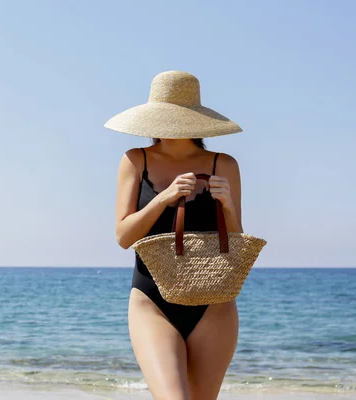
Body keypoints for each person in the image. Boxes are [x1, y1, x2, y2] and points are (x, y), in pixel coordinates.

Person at [105, 71, 244, 400]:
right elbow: (124, 236)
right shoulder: (135, 161)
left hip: (215, 304)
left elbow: (236, 247)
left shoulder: (222, 164)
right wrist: (163, 198)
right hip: (151, 303)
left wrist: (226, 207)